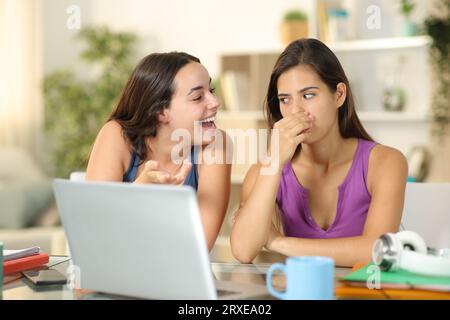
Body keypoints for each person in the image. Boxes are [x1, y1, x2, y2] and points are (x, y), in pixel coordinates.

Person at [230, 39, 408, 267]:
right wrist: (273, 163)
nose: (295, 111)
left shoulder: (386, 163)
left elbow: (377, 251)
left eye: (309, 95)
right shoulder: (264, 172)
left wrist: (280, 243)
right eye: (285, 99)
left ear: (339, 95)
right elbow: (243, 251)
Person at [86, 52, 231, 251]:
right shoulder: (116, 135)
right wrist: (139, 191)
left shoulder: (217, 145)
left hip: (179, 278)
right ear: (161, 112)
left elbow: (198, 247)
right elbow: (94, 235)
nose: (215, 102)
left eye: (211, 90)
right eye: (198, 97)